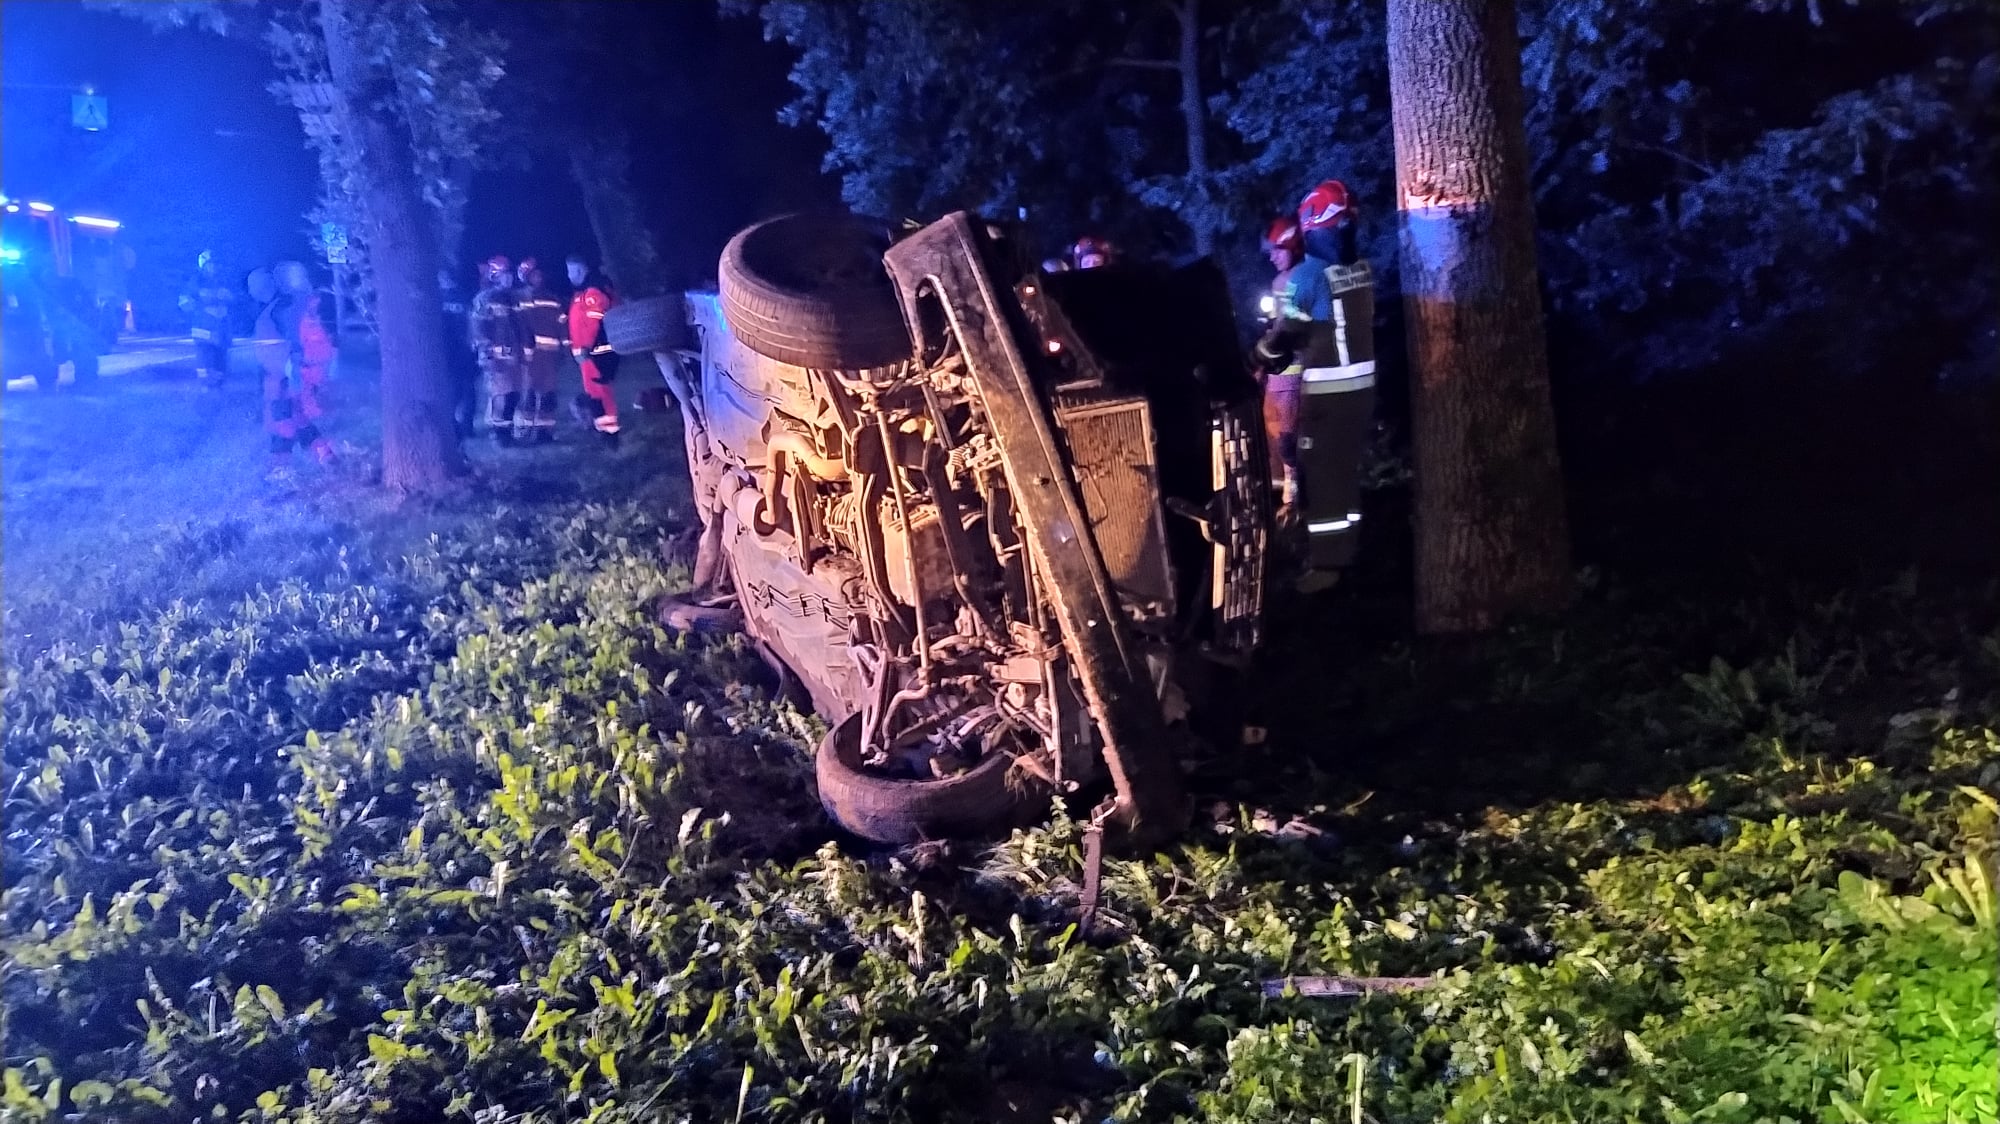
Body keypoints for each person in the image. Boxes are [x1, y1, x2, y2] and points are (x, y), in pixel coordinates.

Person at [1255, 179, 1377, 576]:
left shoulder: (1305, 277)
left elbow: (1286, 336)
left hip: (1326, 390)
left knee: (1320, 475)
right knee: (1344, 472)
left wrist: (1261, 353)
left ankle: (1326, 564)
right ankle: (1355, 550)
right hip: (1361, 389)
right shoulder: (1361, 270)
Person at [255, 261, 336, 474]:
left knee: (282, 418)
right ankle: (326, 456)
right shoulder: (308, 304)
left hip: (288, 376)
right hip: (304, 373)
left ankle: (279, 470)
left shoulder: (284, 309)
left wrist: (291, 370)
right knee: (299, 416)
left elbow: (280, 347)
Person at [1255, 215, 1306, 487]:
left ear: (1292, 246)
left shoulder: (1303, 278)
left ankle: (1295, 496)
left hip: (1295, 373)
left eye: (1277, 250)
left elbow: (1290, 329)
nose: (1272, 257)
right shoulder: (1279, 282)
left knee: (1288, 439)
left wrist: (1265, 352)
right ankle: (1284, 493)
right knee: (1273, 433)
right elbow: (1277, 327)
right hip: (1278, 373)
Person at [564, 253, 621, 448]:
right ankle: (604, 432)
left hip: (595, 353)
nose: (569, 276)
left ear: (581, 270)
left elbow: (593, 324)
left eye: (571, 271)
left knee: (601, 394)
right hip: (590, 353)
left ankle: (610, 437)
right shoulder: (586, 292)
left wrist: (585, 347)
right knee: (596, 394)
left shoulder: (593, 292)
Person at [469, 254, 526, 444]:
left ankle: (507, 432)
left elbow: (518, 327)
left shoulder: (512, 299)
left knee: (514, 395)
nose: (509, 278)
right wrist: (487, 353)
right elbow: (478, 328)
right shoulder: (485, 299)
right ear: (495, 276)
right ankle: (499, 434)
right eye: (505, 275)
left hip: (512, 356)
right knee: (500, 396)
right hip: (495, 358)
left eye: (510, 274)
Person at [512, 258, 564, 443]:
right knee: (529, 394)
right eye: (534, 274)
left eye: (540, 274)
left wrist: (565, 346)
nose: (538, 277)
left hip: (550, 355)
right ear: (525, 277)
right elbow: (519, 327)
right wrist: (525, 349)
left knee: (548, 393)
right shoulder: (520, 299)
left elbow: (561, 324)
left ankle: (544, 433)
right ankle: (524, 432)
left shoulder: (553, 298)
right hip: (531, 355)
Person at [179, 251, 233, 388]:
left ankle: (219, 385)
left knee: (221, 358)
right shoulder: (195, 281)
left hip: (221, 326)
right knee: (204, 356)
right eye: (210, 264)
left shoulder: (224, 280)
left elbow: (236, 298)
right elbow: (184, 301)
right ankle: (205, 385)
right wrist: (195, 304)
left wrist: (229, 297)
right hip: (203, 326)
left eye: (215, 264)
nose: (213, 267)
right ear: (203, 266)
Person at [438, 268, 480, 439]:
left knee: (469, 390)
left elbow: (472, 320)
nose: (444, 279)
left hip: (465, 349)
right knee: (453, 390)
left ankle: (467, 426)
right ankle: (453, 425)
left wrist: (473, 341)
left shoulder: (463, 296)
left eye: (446, 276)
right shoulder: (435, 298)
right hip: (447, 350)